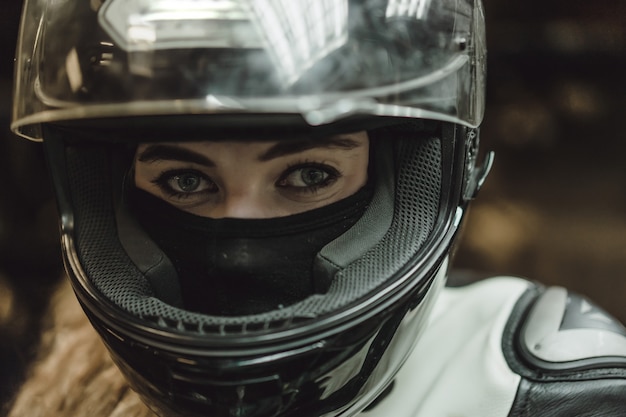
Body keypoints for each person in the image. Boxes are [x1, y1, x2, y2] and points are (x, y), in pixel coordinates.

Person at [7, 0, 626, 416]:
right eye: (185, 180)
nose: (239, 246)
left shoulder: (537, 391)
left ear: (413, 180)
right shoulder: (71, 388)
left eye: (309, 174)